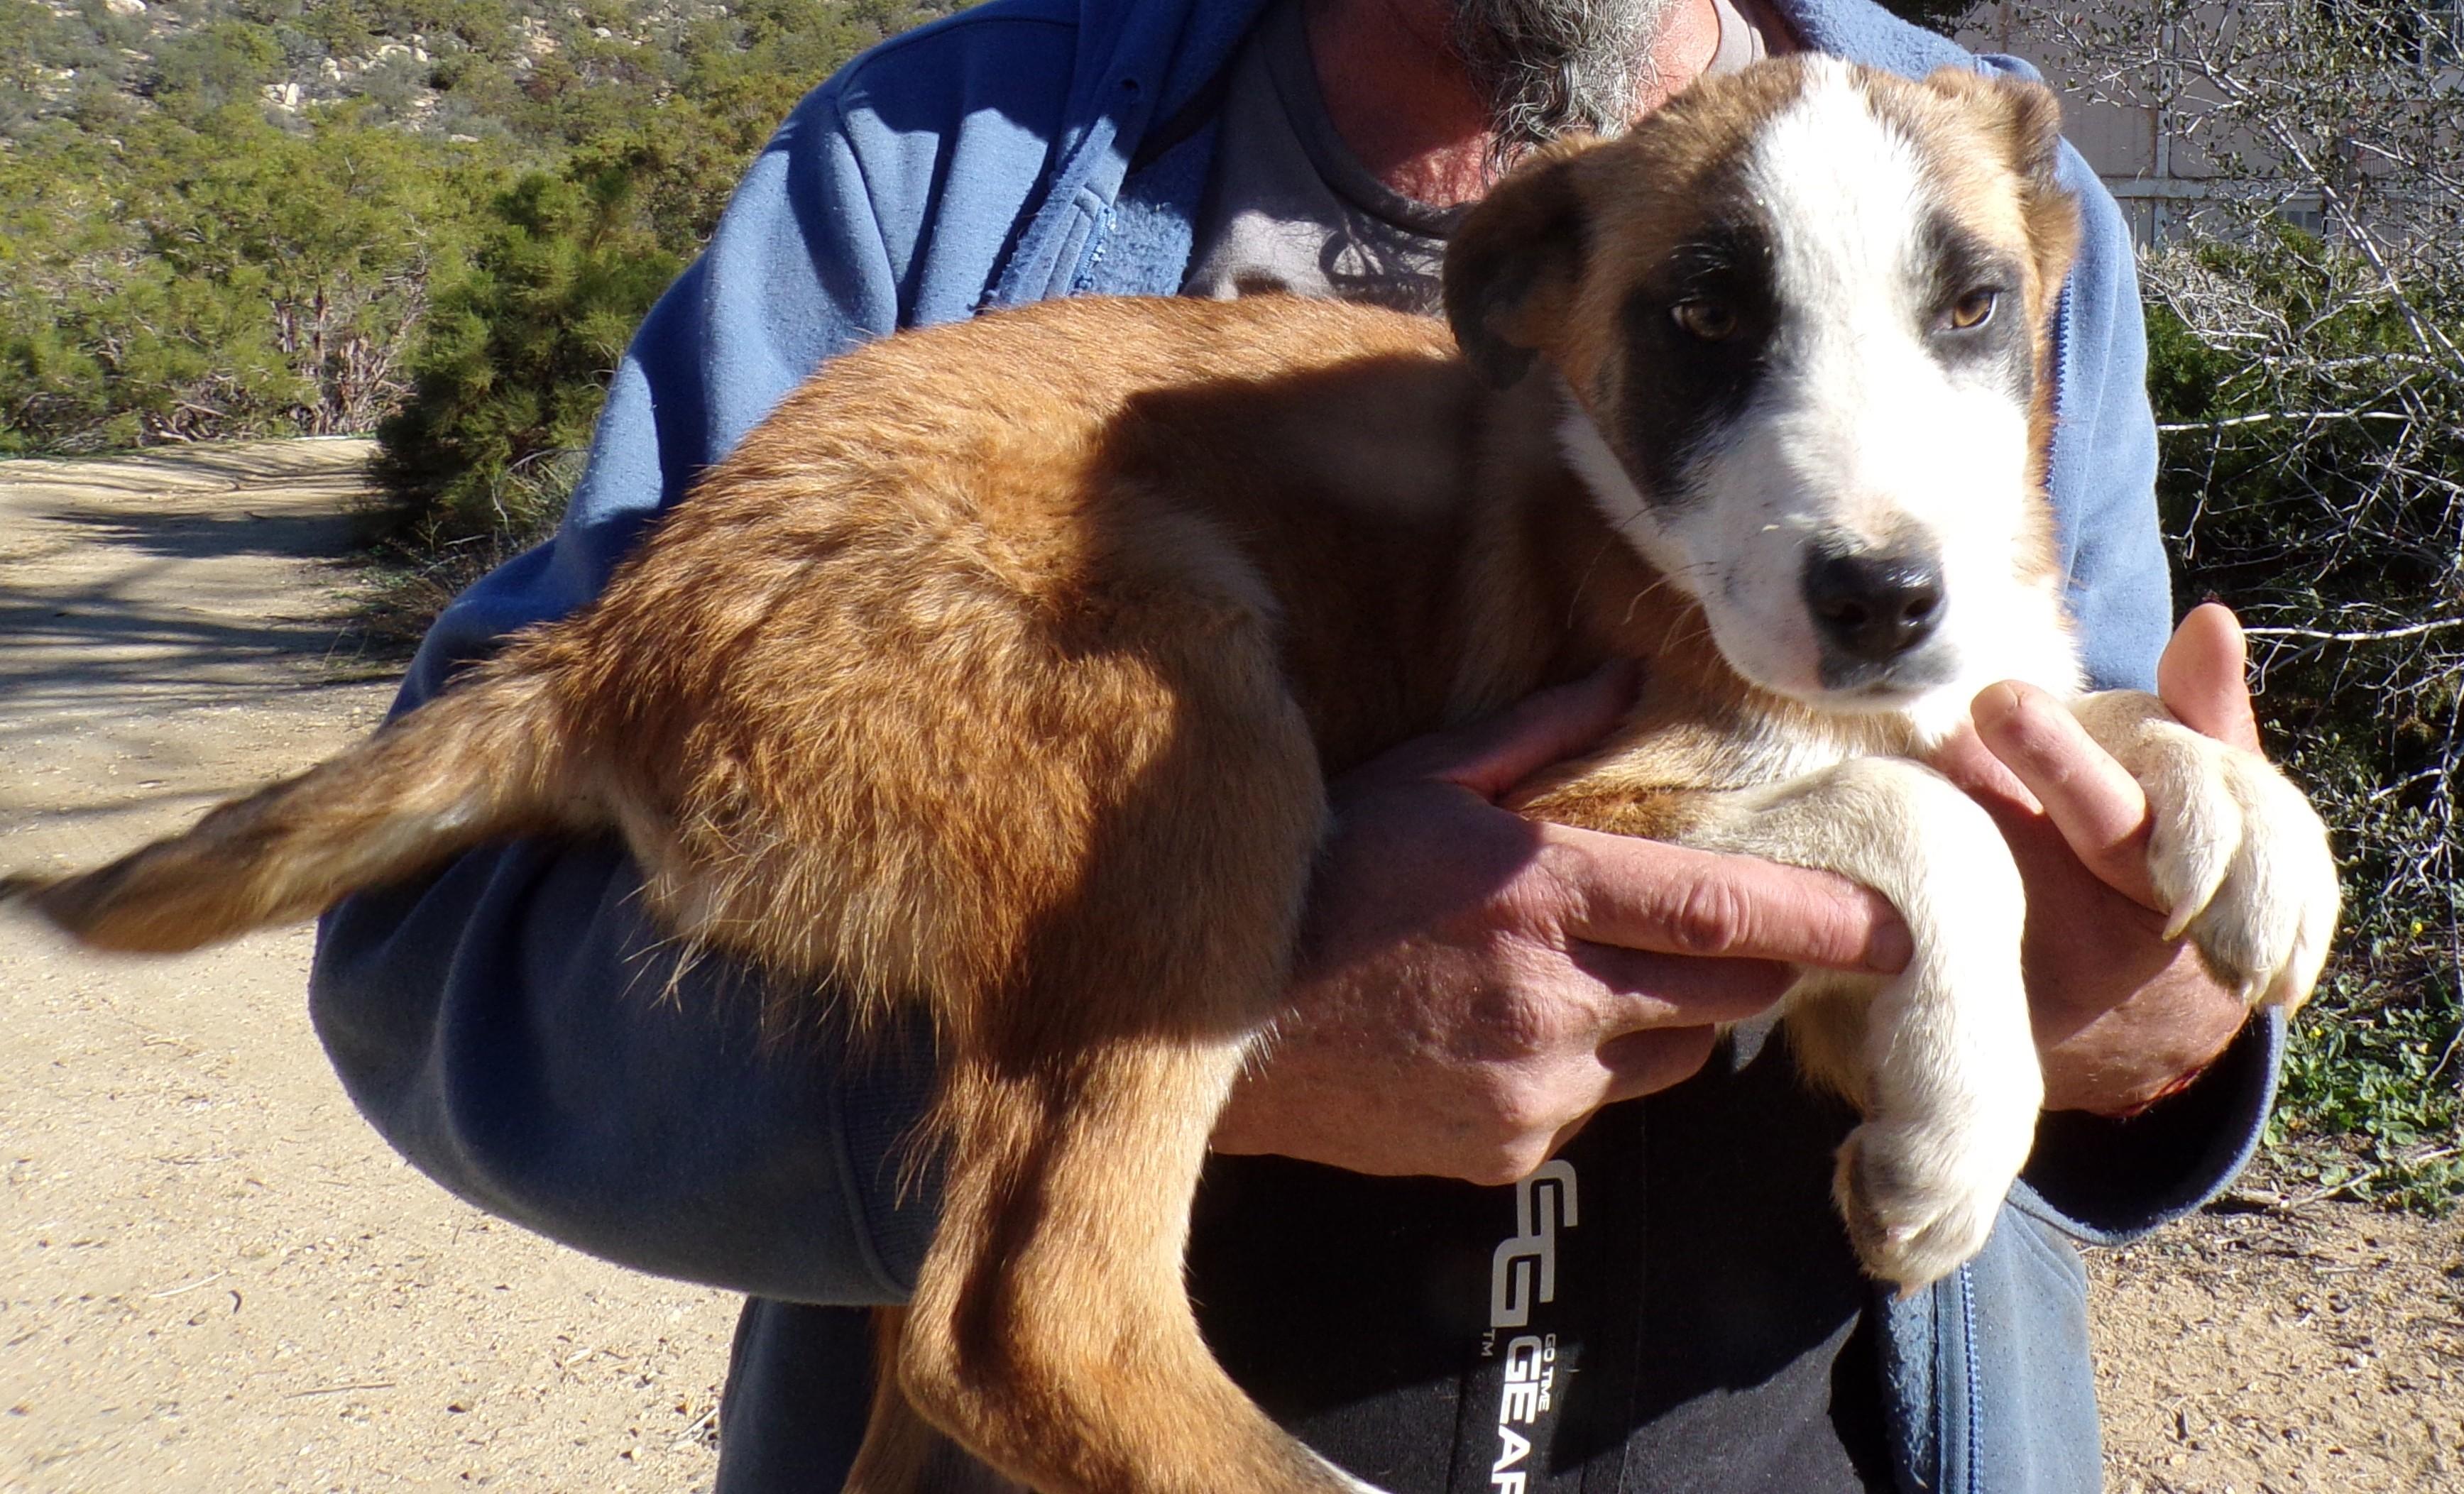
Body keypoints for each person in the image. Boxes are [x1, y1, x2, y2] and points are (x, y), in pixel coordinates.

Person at [312, 1, 2286, 1489]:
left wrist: (2163, 1004)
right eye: (1706, 322)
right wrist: (1211, 1021)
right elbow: (446, 939)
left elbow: (2045, 855)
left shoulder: (1989, 180)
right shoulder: (929, 170)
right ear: (1529, 304)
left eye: (1966, 323)